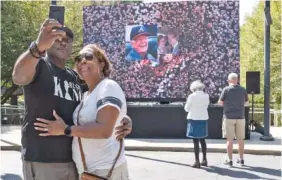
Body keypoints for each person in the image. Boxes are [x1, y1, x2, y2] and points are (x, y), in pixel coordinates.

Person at [12, 19, 132, 180]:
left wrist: (123, 119)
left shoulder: (77, 79)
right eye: (57, 39)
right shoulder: (38, 65)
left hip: (74, 163)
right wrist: (37, 46)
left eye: (67, 40)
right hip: (43, 160)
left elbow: (95, 108)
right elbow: (18, 77)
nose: (62, 43)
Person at [35, 44, 129, 179]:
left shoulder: (108, 86)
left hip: (106, 171)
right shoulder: (86, 95)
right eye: (78, 58)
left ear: (101, 64)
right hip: (87, 172)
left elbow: (104, 130)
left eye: (89, 56)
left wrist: (65, 129)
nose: (82, 61)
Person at [218, 73, 248, 167]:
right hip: (240, 117)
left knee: (229, 140)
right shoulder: (243, 89)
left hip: (228, 117)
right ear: (237, 80)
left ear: (229, 80)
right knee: (241, 140)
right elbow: (246, 103)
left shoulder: (226, 89)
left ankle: (230, 160)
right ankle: (241, 159)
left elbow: (220, 103)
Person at [184, 80, 209, 168]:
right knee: (202, 140)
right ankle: (205, 160)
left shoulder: (191, 96)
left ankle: (197, 161)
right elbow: (206, 106)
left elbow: (186, 109)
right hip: (203, 119)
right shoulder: (206, 96)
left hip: (194, 119)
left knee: (195, 142)